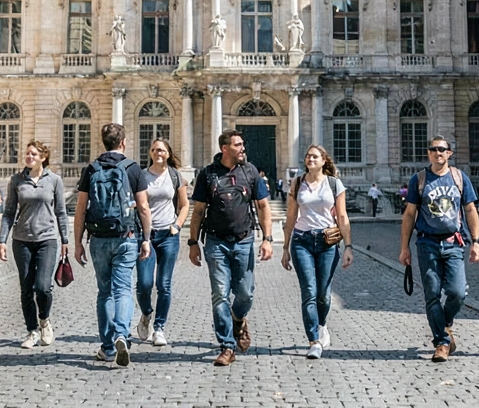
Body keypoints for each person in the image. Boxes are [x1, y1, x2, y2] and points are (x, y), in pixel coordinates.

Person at [188, 129, 274, 367]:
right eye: (238, 145)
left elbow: (263, 207)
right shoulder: (208, 175)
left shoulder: (251, 171)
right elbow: (198, 212)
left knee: (245, 293)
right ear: (225, 149)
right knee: (219, 295)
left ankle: (238, 319)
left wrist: (268, 238)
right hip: (215, 242)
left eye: (243, 144)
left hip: (244, 240)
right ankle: (227, 346)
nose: (243, 148)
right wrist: (193, 243)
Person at [73, 123, 152, 367]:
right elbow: (143, 207)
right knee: (123, 290)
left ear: (103, 142)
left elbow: (80, 209)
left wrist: (77, 242)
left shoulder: (91, 168)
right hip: (126, 237)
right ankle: (121, 334)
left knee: (104, 292)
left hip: (98, 238)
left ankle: (107, 348)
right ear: (124, 142)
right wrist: (146, 238)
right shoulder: (132, 168)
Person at [398, 136, 479, 362]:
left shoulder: (459, 178)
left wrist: (476, 241)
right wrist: (404, 247)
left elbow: (471, 210)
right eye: (434, 150)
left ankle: (444, 325)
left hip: (454, 242)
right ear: (428, 153)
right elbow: (409, 215)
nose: (438, 153)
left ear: (449, 153)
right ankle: (441, 343)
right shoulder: (420, 179)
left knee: (457, 292)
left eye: (442, 150)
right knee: (432, 294)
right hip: (427, 243)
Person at [281, 145, 354, 359]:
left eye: (315, 156)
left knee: (323, 293)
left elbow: (342, 216)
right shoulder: (297, 183)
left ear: (324, 160)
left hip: (327, 241)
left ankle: (322, 325)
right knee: (309, 291)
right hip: (302, 240)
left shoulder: (334, 184)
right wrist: (285, 248)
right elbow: (291, 217)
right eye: (308, 156)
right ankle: (313, 340)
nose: (310, 159)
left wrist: (348, 246)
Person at [0, 141, 69, 349]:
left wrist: (65, 240)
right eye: (27, 154)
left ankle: (44, 320)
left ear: (42, 158)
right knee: (26, 288)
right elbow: (9, 213)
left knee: (43, 286)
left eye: (33, 154)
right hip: (22, 240)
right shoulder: (16, 180)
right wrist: (2, 240)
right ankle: (31, 330)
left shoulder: (54, 180)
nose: (29, 157)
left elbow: (61, 213)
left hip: (47, 239)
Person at [135, 138, 189, 346]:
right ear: (150, 153)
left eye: (162, 150)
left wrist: (177, 225)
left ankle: (159, 328)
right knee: (144, 284)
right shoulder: (141, 176)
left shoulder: (175, 176)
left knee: (164, 285)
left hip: (168, 235)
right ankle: (147, 313)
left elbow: (184, 205)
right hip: (146, 236)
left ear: (168, 153)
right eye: (154, 150)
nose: (158, 153)